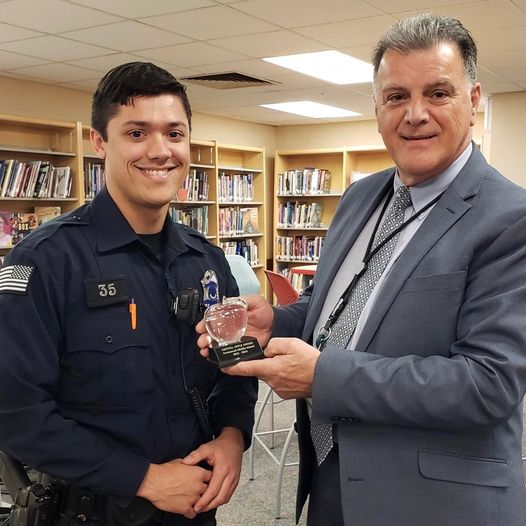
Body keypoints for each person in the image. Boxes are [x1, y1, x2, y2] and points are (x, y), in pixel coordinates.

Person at [197, 14, 526, 526]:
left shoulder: (510, 219)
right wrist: (279, 321)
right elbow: (339, 309)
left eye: (438, 93)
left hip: (436, 504)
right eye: (396, 97)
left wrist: (322, 375)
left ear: (474, 99)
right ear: (377, 108)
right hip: (332, 479)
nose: (415, 114)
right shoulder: (360, 197)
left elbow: (487, 384)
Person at [0, 61, 257, 525]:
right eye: (137, 133)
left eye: (174, 134)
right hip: (91, 511)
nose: (160, 151)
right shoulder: (44, 261)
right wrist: (143, 478)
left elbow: (233, 366)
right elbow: (15, 411)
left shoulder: (207, 262)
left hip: (193, 510)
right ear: (100, 142)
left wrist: (233, 436)